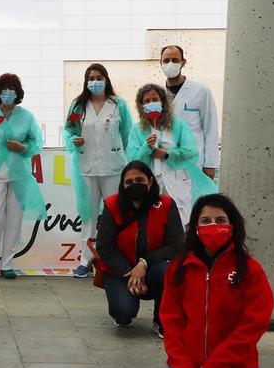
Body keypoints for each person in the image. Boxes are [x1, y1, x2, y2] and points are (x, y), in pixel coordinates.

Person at [150, 194, 274, 368]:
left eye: (220, 220)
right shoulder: (179, 268)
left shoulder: (249, 270)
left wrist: (218, 364)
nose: (213, 226)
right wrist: (181, 366)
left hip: (233, 366)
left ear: (233, 226)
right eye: (205, 221)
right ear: (195, 227)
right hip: (188, 363)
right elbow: (170, 322)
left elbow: (253, 324)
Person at [94, 162, 183, 335]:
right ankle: (124, 310)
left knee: (166, 272)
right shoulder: (112, 205)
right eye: (129, 182)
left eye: (139, 180)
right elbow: (105, 247)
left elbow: (176, 245)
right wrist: (131, 273)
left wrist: (143, 263)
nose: (134, 184)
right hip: (120, 272)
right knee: (123, 313)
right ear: (122, 185)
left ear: (150, 181)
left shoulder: (166, 204)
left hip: (154, 268)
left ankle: (161, 319)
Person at [0, 73, 46, 279]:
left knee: (14, 219)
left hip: (19, 176)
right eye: (4, 89)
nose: (8, 93)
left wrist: (22, 147)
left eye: (12, 89)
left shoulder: (27, 117)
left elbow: (36, 143)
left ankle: (7, 264)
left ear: (18, 93)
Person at [64, 63, 134, 278]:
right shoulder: (78, 105)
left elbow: (127, 134)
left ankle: (117, 261)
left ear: (106, 80)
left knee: (116, 215)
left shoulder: (118, 104)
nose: (95, 81)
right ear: (86, 81)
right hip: (87, 168)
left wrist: (125, 159)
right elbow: (68, 130)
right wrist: (73, 141)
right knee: (88, 216)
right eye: (91, 77)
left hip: (113, 167)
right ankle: (86, 260)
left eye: (99, 77)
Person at [126, 84, 217, 227]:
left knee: (180, 222)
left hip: (177, 182)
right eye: (147, 101)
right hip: (150, 184)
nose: (151, 103)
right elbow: (132, 161)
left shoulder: (177, 125)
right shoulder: (137, 130)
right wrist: (146, 148)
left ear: (162, 102)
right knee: (153, 223)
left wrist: (167, 154)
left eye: (155, 99)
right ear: (141, 105)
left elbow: (191, 152)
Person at [160, 45, 219, 180]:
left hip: (194, 160)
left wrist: (210, 164)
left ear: (183, 62)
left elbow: (211, 129)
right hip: (166, 159)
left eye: (175, 60)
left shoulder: (201, 91)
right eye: (166, 60)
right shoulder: (157, 93)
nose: (170, 64)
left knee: (194, 199)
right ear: (161, 63)